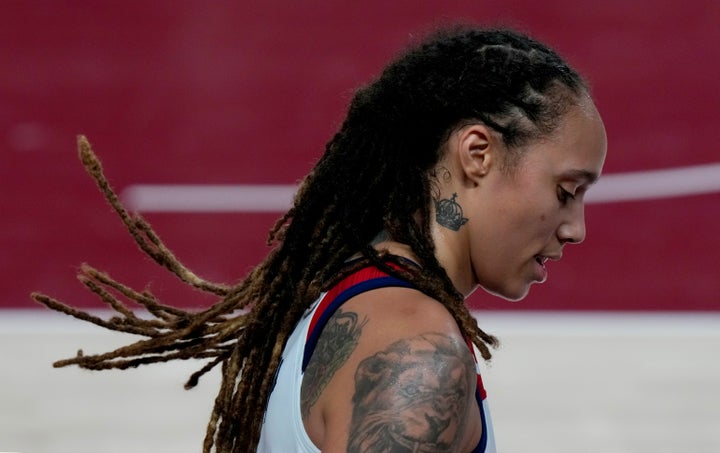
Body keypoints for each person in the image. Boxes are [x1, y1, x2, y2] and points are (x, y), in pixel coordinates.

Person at [33, 25, 607, 453]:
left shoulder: (344, 298)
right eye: (565, 190)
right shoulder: (415, 349)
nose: (575, 228)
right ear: (477, 154)